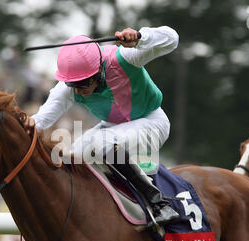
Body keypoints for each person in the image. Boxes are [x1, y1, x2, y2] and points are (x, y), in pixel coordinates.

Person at [24, 26, 180, 227]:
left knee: (100, 142)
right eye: (74, 85)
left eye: (84, 83)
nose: (79, 90)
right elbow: (41, 119)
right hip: (111, 128)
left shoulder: (125, 57)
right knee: (71, 157)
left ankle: (159, 204)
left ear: (98, 70)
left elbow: (172, 39)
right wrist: (25, 125)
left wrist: (140, 38)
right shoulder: (68, 87)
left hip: (152, 122)